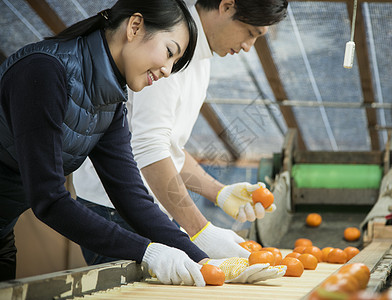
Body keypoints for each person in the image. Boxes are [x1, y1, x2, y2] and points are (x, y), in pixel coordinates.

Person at [0, 0, 285, 285]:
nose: (167, 71)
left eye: (176, 63)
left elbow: (131, 195)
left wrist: (205, 259)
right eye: (169, 52)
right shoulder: (44, 72)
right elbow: (49, 199)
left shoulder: (110, 102)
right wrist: (149, 251)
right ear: (135, 27)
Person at [73, 0, 288, 264]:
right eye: (251, 33)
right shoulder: (170, 43)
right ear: (227, 6)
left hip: (148, 210)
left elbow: (168, 147)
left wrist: (219, 192)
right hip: (116, 210)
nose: (247, 47)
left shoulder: (201, 56)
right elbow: (149, 147)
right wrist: (200, 230)